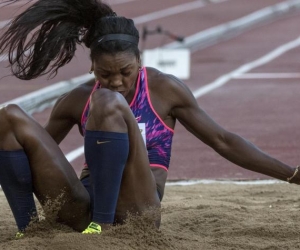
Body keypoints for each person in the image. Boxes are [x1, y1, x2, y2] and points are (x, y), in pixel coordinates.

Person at [0, 0, 299, 237]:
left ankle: (102, 227)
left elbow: (223, 141)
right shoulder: (77, 99)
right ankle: (30, 230)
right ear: (92, 66)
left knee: (107, 101)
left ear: (140, 62)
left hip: (137, 209)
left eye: (125, 72)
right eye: (105, 74)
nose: (116, 81)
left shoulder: (164, 90)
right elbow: (36, 154)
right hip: (84, 205)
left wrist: (291, 174)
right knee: (9, 116)